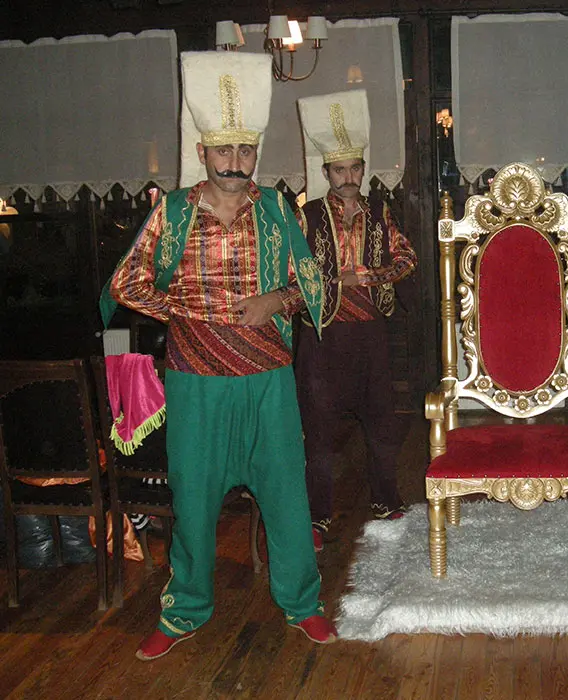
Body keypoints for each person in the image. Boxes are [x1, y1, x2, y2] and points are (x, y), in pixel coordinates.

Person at [100, 51, 337, 661]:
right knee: (193, 501)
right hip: (196, 382)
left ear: (256, 153)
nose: (235, 162)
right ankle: (184, 610)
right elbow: (125, 284)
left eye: (245, 150)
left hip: (268, 381)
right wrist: (185, 307)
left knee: (287, 498)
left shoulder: (277, 209)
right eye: (223, 150)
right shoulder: (173, 212)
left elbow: (314, 283)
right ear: (203, 151)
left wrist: (277, 300)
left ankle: (303, 603)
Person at [294, 90, 417, 552]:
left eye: (355, 169)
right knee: (319, 430)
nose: (348, 178)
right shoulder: (307, 216)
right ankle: (317, 516)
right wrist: (331, 283)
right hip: (322, 336)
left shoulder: (380, 214)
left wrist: (363, 275)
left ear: (364, 170)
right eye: (339, 170)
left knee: (381, 421)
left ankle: (386, 500)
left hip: (370, 335)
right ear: (326, 172)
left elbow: (406, 259)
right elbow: (291, 270)